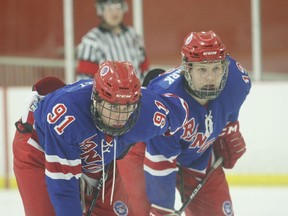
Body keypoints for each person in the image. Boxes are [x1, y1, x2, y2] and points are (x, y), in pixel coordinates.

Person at [12, 60, 189, 216]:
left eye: (127, 107)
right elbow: (63, 189)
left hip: (99, 157)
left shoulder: (148, 113)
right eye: (112, 107)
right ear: (95, 99)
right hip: (39, 149)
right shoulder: (67, 118)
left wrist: (187, 149)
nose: (119, 117)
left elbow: (181, 110)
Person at [117, 30, 252, 216]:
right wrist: (161, 209)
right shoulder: (166, 97)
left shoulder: (237, 82)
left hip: (198, 155)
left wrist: (228, 129)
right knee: (138, 212)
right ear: (187, 69)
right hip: (144, 149)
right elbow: (160, 158)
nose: (211, 77)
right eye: (202, 70)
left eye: (216, 68)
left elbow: (229, 111)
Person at [76, 0, 149, 82]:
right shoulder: (91, 41)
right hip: (104, 94)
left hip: (136, 93)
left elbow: (145, 73)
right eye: (109, 8)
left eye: (118, 7)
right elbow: (84, 81)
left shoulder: (134, 36)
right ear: (100, 10)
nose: (114, 13)